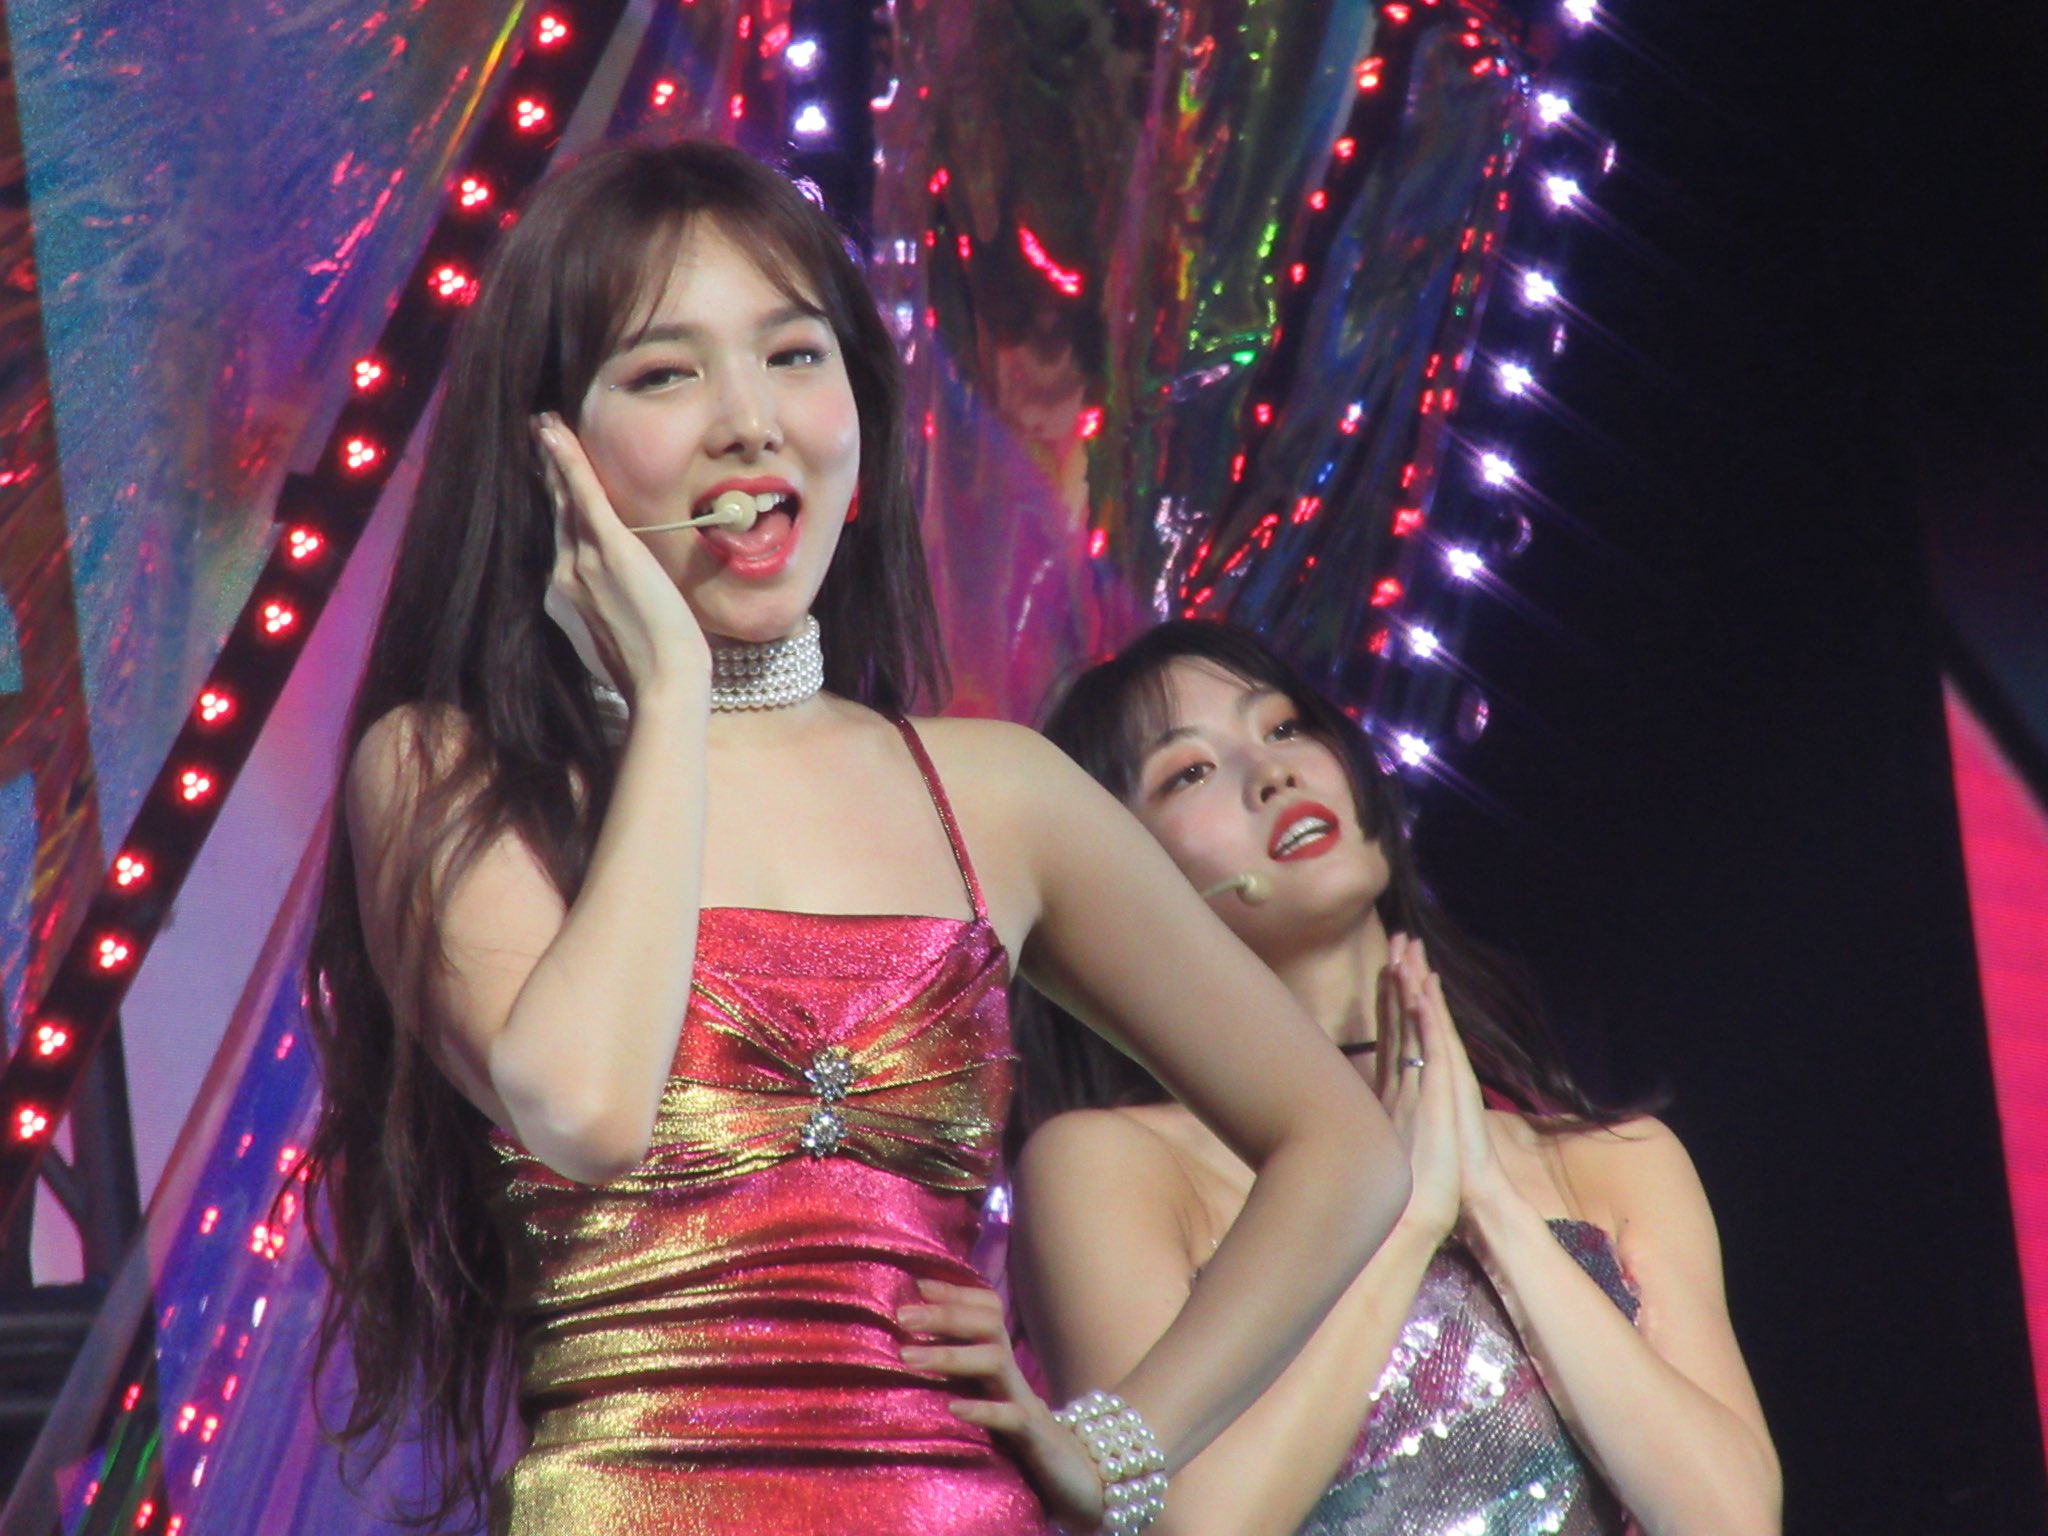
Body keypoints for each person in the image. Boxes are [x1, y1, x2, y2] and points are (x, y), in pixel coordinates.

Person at [298, 142, 1409, 1535]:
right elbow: (584, 1109)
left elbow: (1344, 1151)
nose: (750, 423)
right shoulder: (451, 774)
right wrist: (670, 698)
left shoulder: (995, 792)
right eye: (665, 373)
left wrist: (1117, 1442)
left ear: (860, 422)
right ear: (549, 455)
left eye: (794, 357)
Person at [995, 620, 1780, 1536]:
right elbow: (1186, 1524)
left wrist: (1489, 1206)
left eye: (1285, 727)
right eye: (1190, 771)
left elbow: (1732, 1520)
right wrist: (1403, 1217)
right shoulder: (1110, 1167)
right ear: (1113, 876)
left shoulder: (1614, 1159)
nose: (1272, 772)